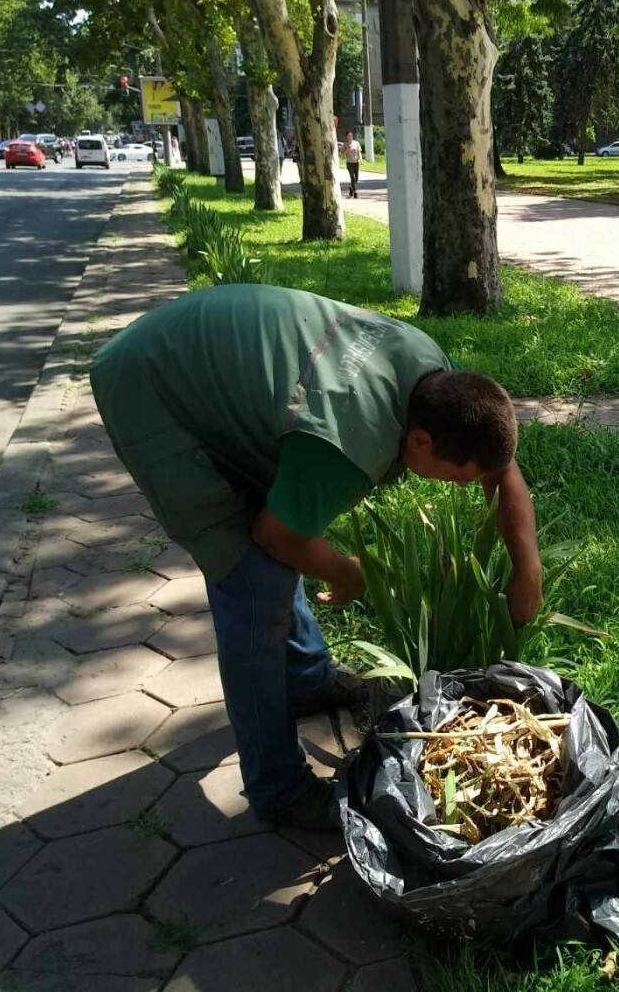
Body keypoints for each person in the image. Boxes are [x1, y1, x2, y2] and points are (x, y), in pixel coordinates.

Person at [90, 284, 543, 830]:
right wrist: (349, 572)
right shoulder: (348, 443)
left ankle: (306, 678)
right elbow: (276, 536)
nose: (464, 488)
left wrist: (527, 568)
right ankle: (278, 790)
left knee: (285, 517)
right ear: (419, 443)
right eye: (457, 477)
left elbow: (501, 467)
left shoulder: (436, 376)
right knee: (251, 582)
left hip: (217, 352)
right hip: (153, 385)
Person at [344, 130, 362, 198]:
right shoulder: (345, 144)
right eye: (348, 136)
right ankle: (355, 192)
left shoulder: (356, 143)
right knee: (352, 177)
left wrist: (360, 159)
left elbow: (359, 152)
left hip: (356, 162)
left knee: (356, 179)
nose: (350, 137)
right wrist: (347, 149)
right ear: (346, 137)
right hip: (349, 163)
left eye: (351, 135)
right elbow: (344, 154)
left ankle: (351, 188)